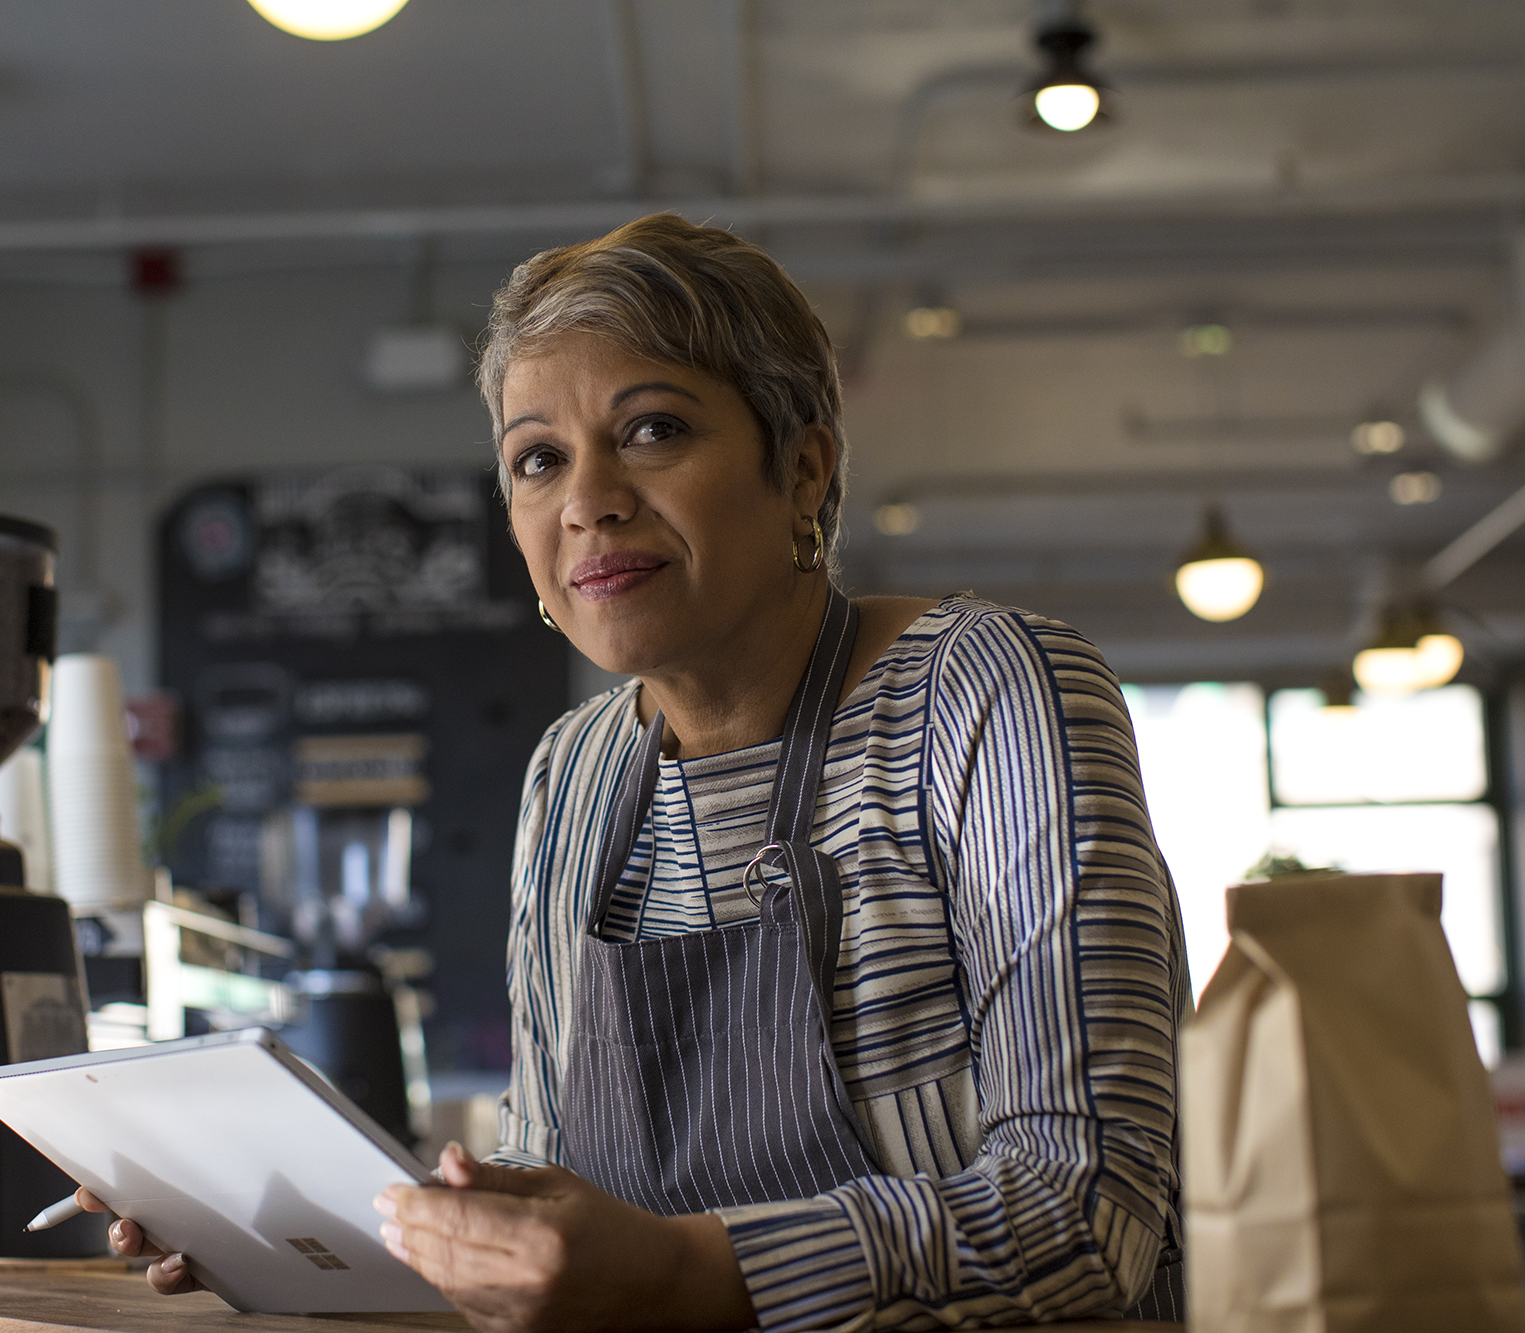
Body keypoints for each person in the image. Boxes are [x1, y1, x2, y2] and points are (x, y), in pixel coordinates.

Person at [81, 214, 1189, 1331]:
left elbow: (1091, 1208)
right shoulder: (575, 775)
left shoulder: (987, 691)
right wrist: (294, 1226)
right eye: (537, 459)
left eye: (652, 429)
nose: (586, 499)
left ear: (802, 468)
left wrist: (682, 1274)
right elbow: (553, 1178)